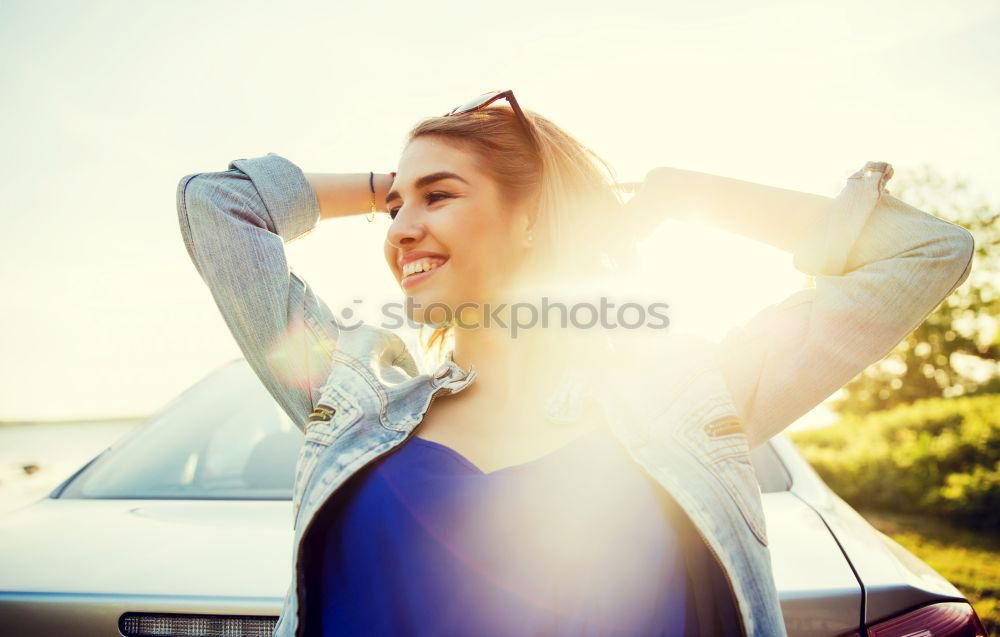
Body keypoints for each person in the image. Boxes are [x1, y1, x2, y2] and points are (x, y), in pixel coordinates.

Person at [176, 90, 975, 636]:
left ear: (532, 220)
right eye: (396, 208)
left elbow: (927, 251)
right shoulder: (352, 399)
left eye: (439, 196)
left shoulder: (687, 403)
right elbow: (218, 205)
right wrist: (396, 181)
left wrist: (691, 193)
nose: (399, 229)